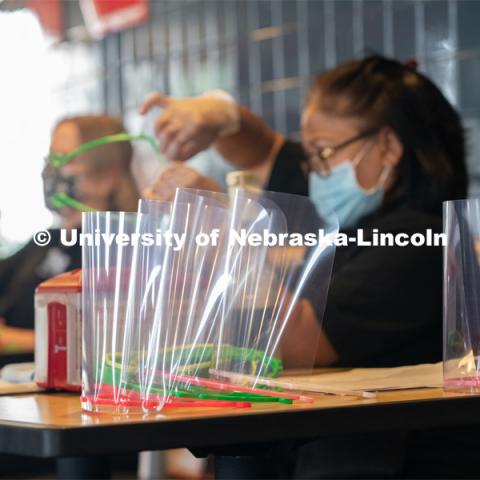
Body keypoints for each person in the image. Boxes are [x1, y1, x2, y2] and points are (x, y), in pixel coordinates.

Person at [140, 55, 469, 477]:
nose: (314, 172)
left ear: (387, 147)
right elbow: (266, 151)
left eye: (324, 153)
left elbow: (289, 342)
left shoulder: (419, 242)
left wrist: (220, 228)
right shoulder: (357, 220)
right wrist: (218, 113)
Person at [0, 115, 139, 353]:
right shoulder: (47, 241)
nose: (51, 169)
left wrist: (12, 339)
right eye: (51, 157)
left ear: (107, 177)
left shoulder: (119, 248)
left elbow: (95, 344)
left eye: (64, 159)